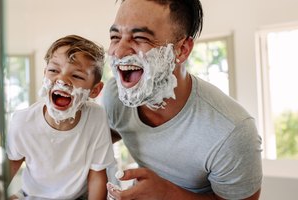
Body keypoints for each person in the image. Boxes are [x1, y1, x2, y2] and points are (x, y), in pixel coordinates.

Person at [102, 0, 263, 199]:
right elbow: (96, 139)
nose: (118, 51)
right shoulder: (115, 97)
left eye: (140, 38)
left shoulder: (232, 131)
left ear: (182, 50)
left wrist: (167, 194)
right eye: (115, 37)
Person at [6, 35, 115, 200]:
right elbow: (5, 172)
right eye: (53, 70)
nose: (62, 80)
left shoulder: (96, 117)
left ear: (94, 90)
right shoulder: (23, 122)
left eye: (77, 76)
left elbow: (97, 176)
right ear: (45, 75)